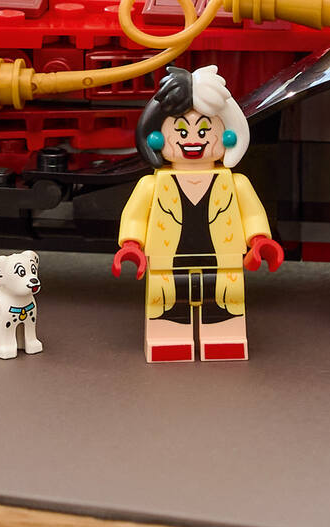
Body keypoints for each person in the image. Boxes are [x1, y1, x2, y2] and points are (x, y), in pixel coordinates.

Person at [113, 65, 283, 362]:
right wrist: (131, 244)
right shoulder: (151, 185)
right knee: (166, 301)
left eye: (204, 130)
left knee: (226, 299)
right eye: (181, 130)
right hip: (166, 262)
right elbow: (136, 217)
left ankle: (224, 339)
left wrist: (259, 240)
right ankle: (167, 340)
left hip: (224, 261)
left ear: (227, 136)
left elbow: (252, 215)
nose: (193, 139)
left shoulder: (236, 183)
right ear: (156, 138)